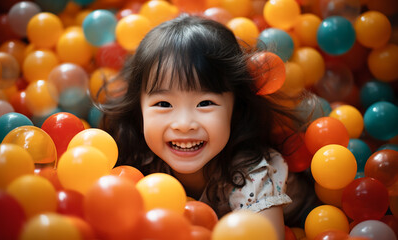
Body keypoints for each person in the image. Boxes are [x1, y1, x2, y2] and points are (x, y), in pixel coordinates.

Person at [99, 14, 312, 239]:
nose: (183, 124)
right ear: (139, 111)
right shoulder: (136, 160)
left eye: (205, 103)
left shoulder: (252, 172)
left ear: (236, 109)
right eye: (163, 104)